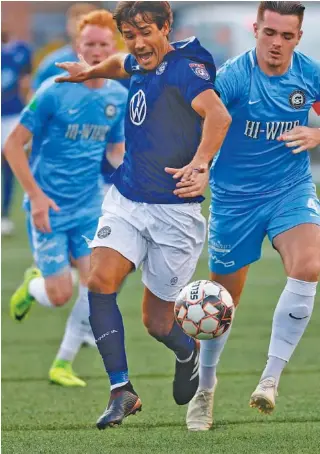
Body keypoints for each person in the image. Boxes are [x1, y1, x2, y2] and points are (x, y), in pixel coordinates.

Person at [55, 0, 231, 429]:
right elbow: (123, 64)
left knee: (156, 321)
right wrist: (91, 71)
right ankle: (122, 391)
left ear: (166, 26)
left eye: (146, 32)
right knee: (100, 280)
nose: (138, 43)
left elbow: (218, 115)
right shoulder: (138, 60)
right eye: (130, 35)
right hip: (128, 198)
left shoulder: (186, 69)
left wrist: (202, 163)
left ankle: (186, 351)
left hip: (176, 214)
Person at [174, 1, 320, 431]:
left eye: (286, 36)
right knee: (223, 303)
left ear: (298, 37)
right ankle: (205, 389)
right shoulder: (236, 76)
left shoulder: (309, 74)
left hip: (290, 190)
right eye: (269, 33)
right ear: (256, 29)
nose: (276, 44)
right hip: (234, 200)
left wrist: (316, 132)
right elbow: (210, 119)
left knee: (310, 265)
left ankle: (269, 380)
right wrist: (200, 165)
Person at [5, 10, 127, 388]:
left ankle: (63, 363)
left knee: (99, 283)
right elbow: (12, 145)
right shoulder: (54, 90)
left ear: (113, 48)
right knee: (60, 294)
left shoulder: (117, 96)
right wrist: (36, 197)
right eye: (89, 44)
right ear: (78, 46)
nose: (95, 50)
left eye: (103, 45)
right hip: (48, 208)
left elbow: (117, 154)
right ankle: (33, 287)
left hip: (89, 205)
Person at [1, 26, 32, 235]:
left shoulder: (18, 51)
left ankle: (5, 214)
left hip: (11, 114)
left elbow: (25, 81)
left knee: (10, 162)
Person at [32, 3, 97, 91]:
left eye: (87, 22)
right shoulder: (53, 63)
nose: (81, 28)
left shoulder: (113, 62)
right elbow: (34, 96)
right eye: (77, 21)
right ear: (68, 27)